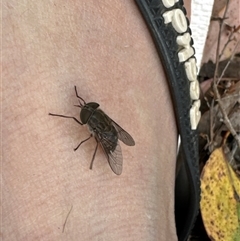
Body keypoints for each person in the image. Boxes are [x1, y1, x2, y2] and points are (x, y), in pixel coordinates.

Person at [3, 0, 191, 240]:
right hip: (109, 131)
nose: (84, 106)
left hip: (108, 137)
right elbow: (115, 129)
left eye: (86, 107)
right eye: (87, 107)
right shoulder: (97, 116)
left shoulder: (92, 125)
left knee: (91, 143)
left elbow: (103, 135)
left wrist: (93, 148)